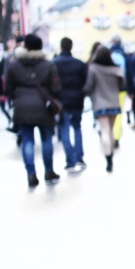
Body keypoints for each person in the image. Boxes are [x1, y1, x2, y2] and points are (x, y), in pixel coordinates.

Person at [6, 34, 62, 187]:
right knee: (46, 140)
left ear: (25, 46)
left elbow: (8, 88)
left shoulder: (14, 65)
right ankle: (49, 171)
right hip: (44, 107)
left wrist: (18, 95)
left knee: (28, 141)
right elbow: (56, 88)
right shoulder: (48, 65)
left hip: (22, 107)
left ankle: (31, 174)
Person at [83, 46, 124, 172]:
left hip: (100, 104)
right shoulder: (116, 69)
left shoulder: (94, 69)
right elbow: (122, 85)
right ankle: (111, 154)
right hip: (114, 102)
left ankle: (108, 157)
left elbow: (88, 86)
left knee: (104, 130)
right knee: (110, 131)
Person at [53, 37, 88, 172]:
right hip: (77, 100)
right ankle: (79, 156)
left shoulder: (54, 63)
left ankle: (70, 159)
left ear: (61, 47)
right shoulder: (79, 64)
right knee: (77, 128)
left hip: (61, 101)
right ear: (71, 47)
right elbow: (86, 82)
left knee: (64, 129)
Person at [109, 35, 131, 146]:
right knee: (118, 113)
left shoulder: (107, 55)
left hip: (109, 89)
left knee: (109, 113)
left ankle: (110, 135)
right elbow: (129, 74)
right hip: (122, 89)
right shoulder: (125, 56)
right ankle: (116, 136)